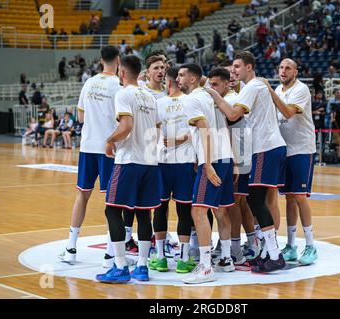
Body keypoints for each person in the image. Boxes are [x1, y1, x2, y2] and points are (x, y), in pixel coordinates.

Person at [205, 51, 287, 273]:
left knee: (257, 201)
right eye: (233, 67)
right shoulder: (253, 87)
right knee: (256, 200)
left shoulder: (253, 86)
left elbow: (232, 115)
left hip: (265, 147)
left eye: (238, 66)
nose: (234, 71)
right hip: (265, 147)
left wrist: (212, 94)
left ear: (249, 67)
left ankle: (274, 253)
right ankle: (268, 252)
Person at [96, 54, 160, 284]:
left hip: (129, 161)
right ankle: (142, 266)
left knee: (112, 210)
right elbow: (158, 128)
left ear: (122, 73)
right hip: (150, 163)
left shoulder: (123, 94)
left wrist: (110, 140)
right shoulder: (150, 97)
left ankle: (121, 265)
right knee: (144, 213)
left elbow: (126, 126)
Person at [59, 46, 122, 267]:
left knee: (82, 195)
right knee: (112, 202)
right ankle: (110, 254)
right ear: (118, 59)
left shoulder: (88, 82)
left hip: (87, 146)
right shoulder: (118, 86)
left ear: (100, 60)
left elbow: (81, 116)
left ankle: (70, 248)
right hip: (109, 149)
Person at [178, 63, 235, 284]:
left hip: (213, 159)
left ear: (193, 79)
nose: (178, 79)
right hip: (225, 156)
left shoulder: (192, 99)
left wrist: (207, 163)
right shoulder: (207, 95)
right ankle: (227, 259)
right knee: (220, 210)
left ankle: (205, 267)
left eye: (182, 75)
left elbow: (205, 131)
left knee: (198, 212)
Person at [260, 58, 317, 265]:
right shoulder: (278, 89)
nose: (283, 71)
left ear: (296, 71)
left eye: (288, 68)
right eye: (281, 67)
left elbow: (287, 113)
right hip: (285, 149)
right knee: (290, 198)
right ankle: (291, 245)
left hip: (302, 148)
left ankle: (311, 245)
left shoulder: (301, 89)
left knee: (300, 196)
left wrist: (269, 91)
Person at [206, 67, 260, 265]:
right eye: (210, 84)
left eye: (215, 85)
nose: (211, 88)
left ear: (227, 84)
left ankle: (236, 248)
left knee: (234, 204)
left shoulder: (229, 101)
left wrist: (236, 163)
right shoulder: (222, 98)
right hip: (235, 155)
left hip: (238, 156)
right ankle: (247, 242)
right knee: (237, 204)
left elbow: (236, 135)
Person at [149, 67, 197, 274]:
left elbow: (152, 135)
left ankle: (160, 257)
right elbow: (198, 132)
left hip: (161, 162)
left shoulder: (157, 103)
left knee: (160, 208)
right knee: (184, 211)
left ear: (168, 82)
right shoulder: (191, 101)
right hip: (186, 162)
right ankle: (184, 259)